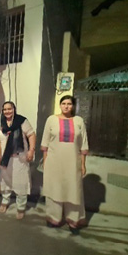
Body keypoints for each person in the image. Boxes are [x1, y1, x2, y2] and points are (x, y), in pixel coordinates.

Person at [41, 95, 89, 235]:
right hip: (54, 161)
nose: (66, 106)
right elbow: (45, 142)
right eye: (63, 103)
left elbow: (83, 144)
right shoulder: (51, 120)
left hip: (73, 162)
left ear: (73, 106)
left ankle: (73, 219)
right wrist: (45, 161)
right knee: (54, 188)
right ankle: (54, 218)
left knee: (73, 189)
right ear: (60, 105)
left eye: (69, 104)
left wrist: (83, 164)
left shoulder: (79, 121)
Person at [0, 101, 36, 220]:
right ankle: (5, 202)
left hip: (19, 158)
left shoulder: (21, 121)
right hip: (6, 159)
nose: (7, 111)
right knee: (5, 182)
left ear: (14, 109)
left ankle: (21, 207)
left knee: (21, 183)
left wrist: (31, 151)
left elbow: (31, 135)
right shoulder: (1, 123)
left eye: (9, 109)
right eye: (5, 109)